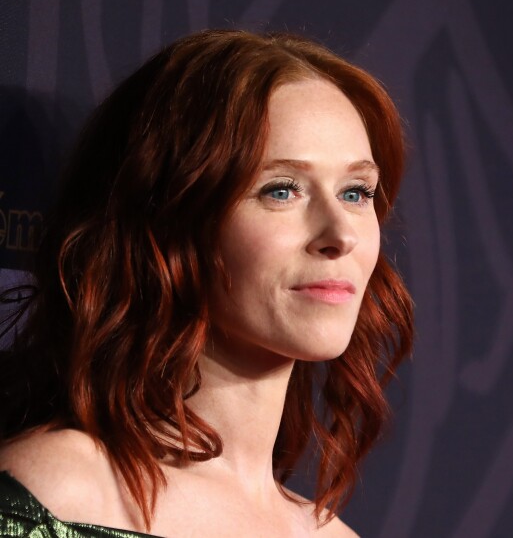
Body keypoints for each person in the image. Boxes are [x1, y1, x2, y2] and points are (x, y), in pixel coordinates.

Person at [0, 29, 414, 537]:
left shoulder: (332, 534)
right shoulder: (59, 495)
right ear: (168, 220)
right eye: (281, 189)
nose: (341, 235)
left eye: (356, 191)